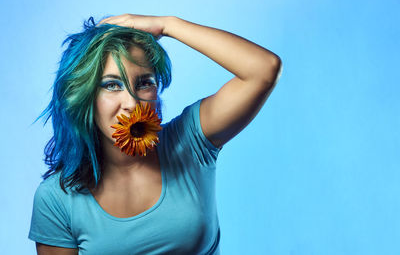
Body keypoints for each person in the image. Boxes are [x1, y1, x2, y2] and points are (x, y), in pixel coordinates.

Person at [28, 14, 282, 255]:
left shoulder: (191, 141)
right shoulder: (56, 198)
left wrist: (167, 25)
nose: (131, 102)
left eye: (144, 83)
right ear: (84, 99)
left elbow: (264, 69)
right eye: (112, 85)